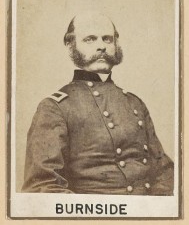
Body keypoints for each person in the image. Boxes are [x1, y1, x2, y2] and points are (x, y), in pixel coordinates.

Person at [22, 12, 174, 195]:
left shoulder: (135, 103)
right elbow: (42, 186)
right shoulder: (55, 107)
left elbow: (165, 172)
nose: (101, 46)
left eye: (107, 39)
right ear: (70, 44)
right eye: (90, 39)